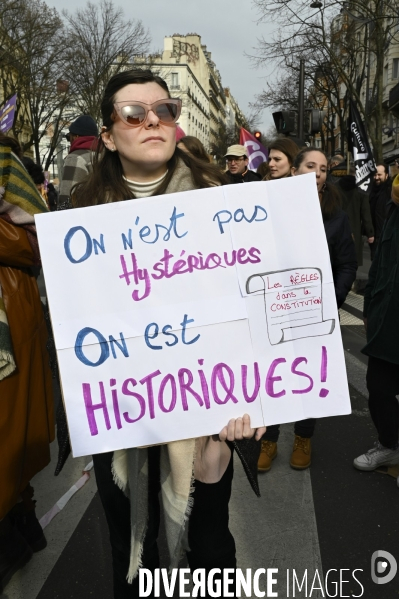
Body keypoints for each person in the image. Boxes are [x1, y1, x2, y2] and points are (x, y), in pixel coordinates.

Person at [68, 69, 265, 598]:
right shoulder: (80, 223)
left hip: (209, 418)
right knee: (130, 547)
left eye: (166, 109)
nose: (153, 120)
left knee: (211, 549)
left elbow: (255, 310)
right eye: (134, 113)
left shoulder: (226, 206)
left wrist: (262, 399)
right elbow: (69, 331)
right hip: (124, 421)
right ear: (108, 135)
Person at [258, 147, 357, 472]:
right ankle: (269, 439)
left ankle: (303, 437)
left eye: (324, 168)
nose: (318, 173)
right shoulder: (268, 209)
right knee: (272, 375)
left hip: (315, 314)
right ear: (296, 171)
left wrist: (333, 300)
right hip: (274, 309)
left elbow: (346, 265)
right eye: (311, 166)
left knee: (307, 375)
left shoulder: (336, 217)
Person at [0, 134, 54, 591]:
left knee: (11, 428)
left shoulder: (6, 162)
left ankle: (18, 522)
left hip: (10, 315)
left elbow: (39, 241)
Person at [353, 175, 399, 474]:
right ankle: (389, 446)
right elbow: (381, 261)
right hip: (387, 321)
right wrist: (369, 306)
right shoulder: (393, 209)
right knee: (379, 388)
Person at [336, 166, 374, 267]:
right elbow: (365, 212)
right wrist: (370, 233)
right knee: (352, 260)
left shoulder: (335, 187)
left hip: (337, 227)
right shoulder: (361, 189)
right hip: (354, 228)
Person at [58, 114, 98, 210]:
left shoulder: (75, 158)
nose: (69, 141)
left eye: (69, 137)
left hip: (86, 218)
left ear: (75, 137)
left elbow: (66, 198)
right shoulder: (106, 155)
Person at [368, 163, 391, 260]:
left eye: (379, 175)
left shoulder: (391, 191)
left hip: (388, 236)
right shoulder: (370, 191)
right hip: (374, 237)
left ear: (386, 175)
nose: (376, 177)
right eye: (375, 175)